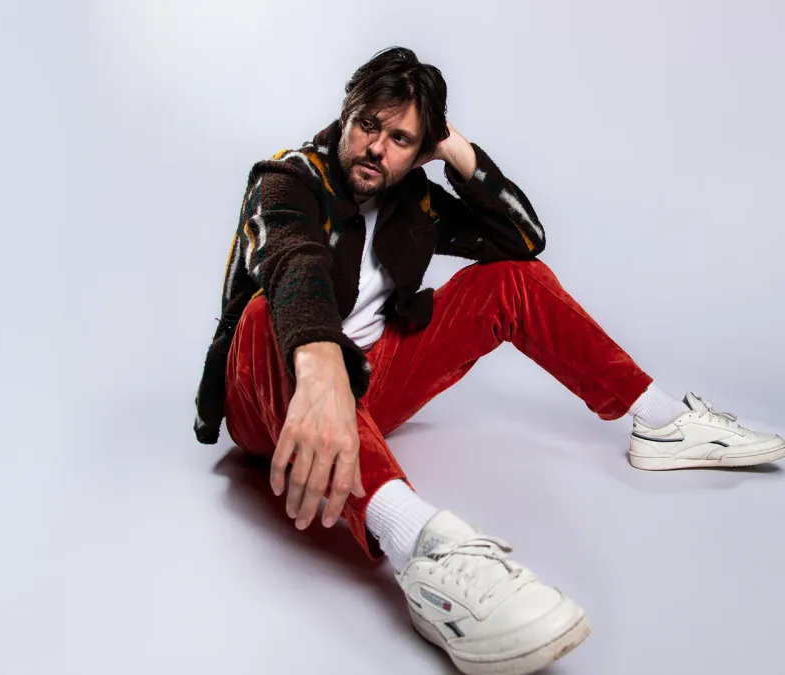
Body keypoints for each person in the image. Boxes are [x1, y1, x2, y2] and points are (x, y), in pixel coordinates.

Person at [191, 46, 785, 675]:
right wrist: (320, 367)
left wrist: (456, 151)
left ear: (420, 150)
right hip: (274, 394)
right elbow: (291, 262)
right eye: (367, 125)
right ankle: (425, 548)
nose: (377, 149)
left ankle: (660, 420)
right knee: (265, 312)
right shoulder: (287, 178)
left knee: (512, 279)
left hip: (370, 384)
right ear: (347, 113)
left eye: (401, 139)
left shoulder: (413, 199)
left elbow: (522, 240)